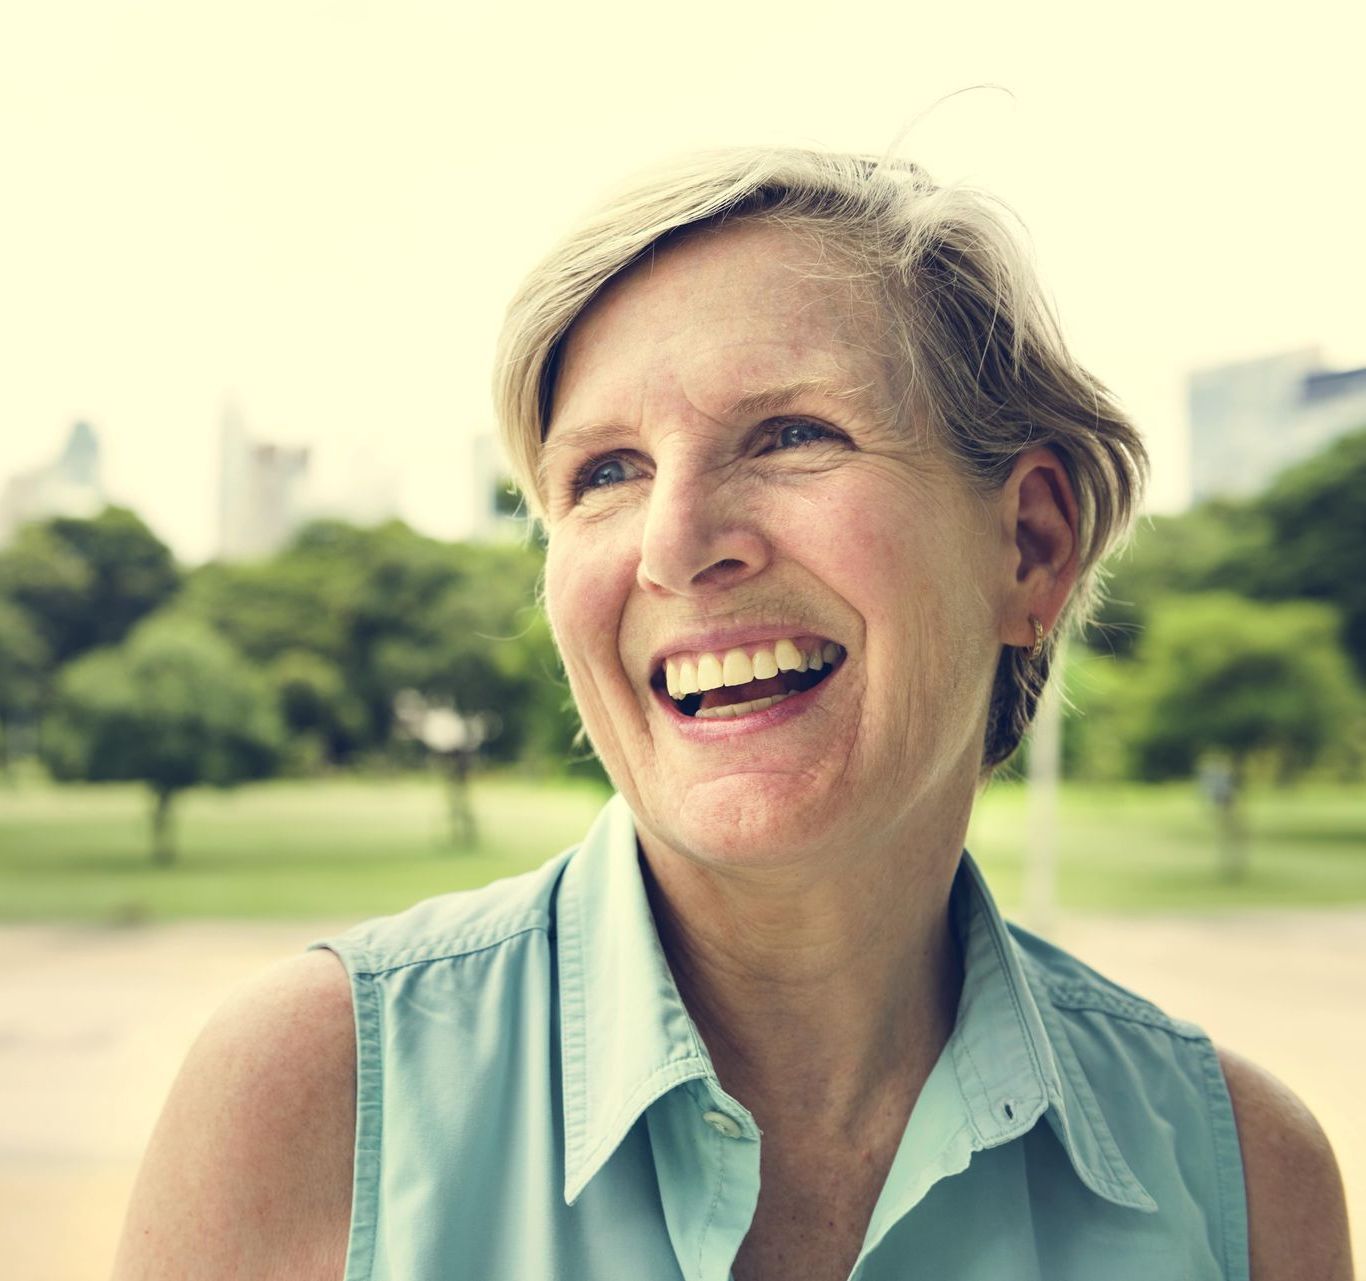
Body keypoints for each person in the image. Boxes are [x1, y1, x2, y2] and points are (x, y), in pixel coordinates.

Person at [112, 149, 1353, 1280]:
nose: (674, 546)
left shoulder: (1241, 1179)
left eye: (790, 435)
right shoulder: (313, 1094)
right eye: (604, 473)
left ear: (1029, 543)